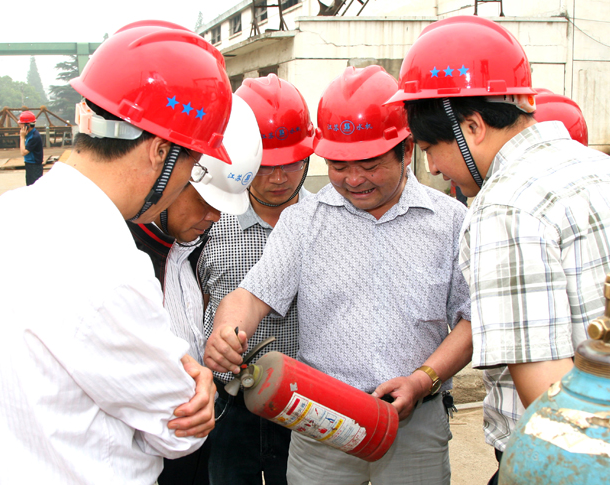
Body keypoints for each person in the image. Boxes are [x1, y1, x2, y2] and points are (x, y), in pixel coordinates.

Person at [0, 20, 234, 485]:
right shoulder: (110, 265)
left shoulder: (2, 216)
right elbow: (177, 434)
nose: (189, 181)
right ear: (161, 151)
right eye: (195, 163)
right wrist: (193, 388)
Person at [388, 15, 610, 484]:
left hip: (572, 464)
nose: (432, 166)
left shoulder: (504, 208)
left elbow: (550, 400)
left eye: (430, 147)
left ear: (472, 126)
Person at [204, 65, 472, 485]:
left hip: (414, 425)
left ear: (405, 151)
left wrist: (422, 381)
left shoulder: (452, 223)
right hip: (320, 421)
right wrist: (227, 331)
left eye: (369, 164)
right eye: (339, 165)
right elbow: (252, 296)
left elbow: (471, 321)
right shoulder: (303, 221)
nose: (353, 179)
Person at [128, 93, 262, 485]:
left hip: (190, 445)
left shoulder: (179, 246)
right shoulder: (126, 256)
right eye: (204, 200)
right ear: (170, 167)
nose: (214, 217)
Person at [198, 73, 314, 485]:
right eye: (265, 167)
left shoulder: (327, 223)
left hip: (304, 402)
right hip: (229, 404)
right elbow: (198, 297)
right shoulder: (208, 222)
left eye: (291, 165)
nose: (279, 179)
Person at [18, 110, 44, 185]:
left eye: (21, 124)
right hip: (29, 164)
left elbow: (23, 152)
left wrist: (22, 137)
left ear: (27, 125)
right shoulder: (29, 134)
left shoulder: (34, 136)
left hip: (34, 166)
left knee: (34, 188)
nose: (19, 126)